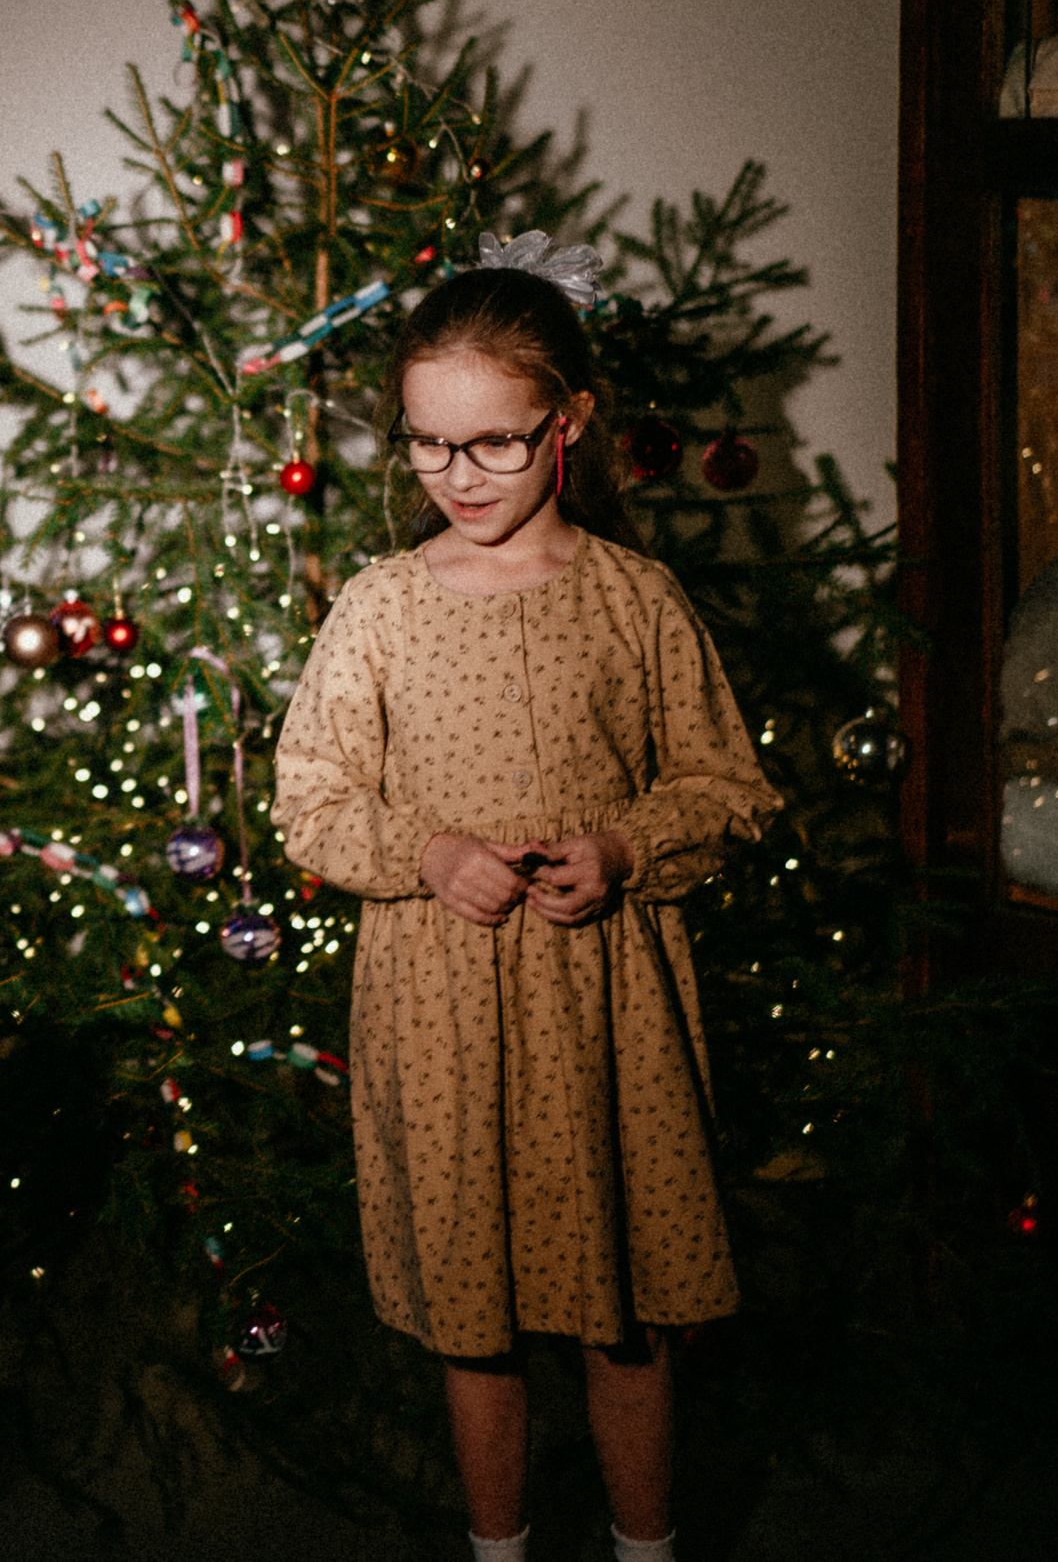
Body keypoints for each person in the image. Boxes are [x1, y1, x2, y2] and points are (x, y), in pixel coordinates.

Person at [271, 252, 779, 1562]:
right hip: (439, 1009)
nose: (457, 475)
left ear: (571, 422)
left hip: (607, 1007)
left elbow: (727, 784)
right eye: (427, 442)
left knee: (629, 1311)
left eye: (493, 441)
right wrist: (427, 851)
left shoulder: (634, 599)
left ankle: (645, 1545)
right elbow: (310, 799)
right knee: (475, 1317)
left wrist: (625, 845)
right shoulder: (379, 608)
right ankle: (498, 1548)